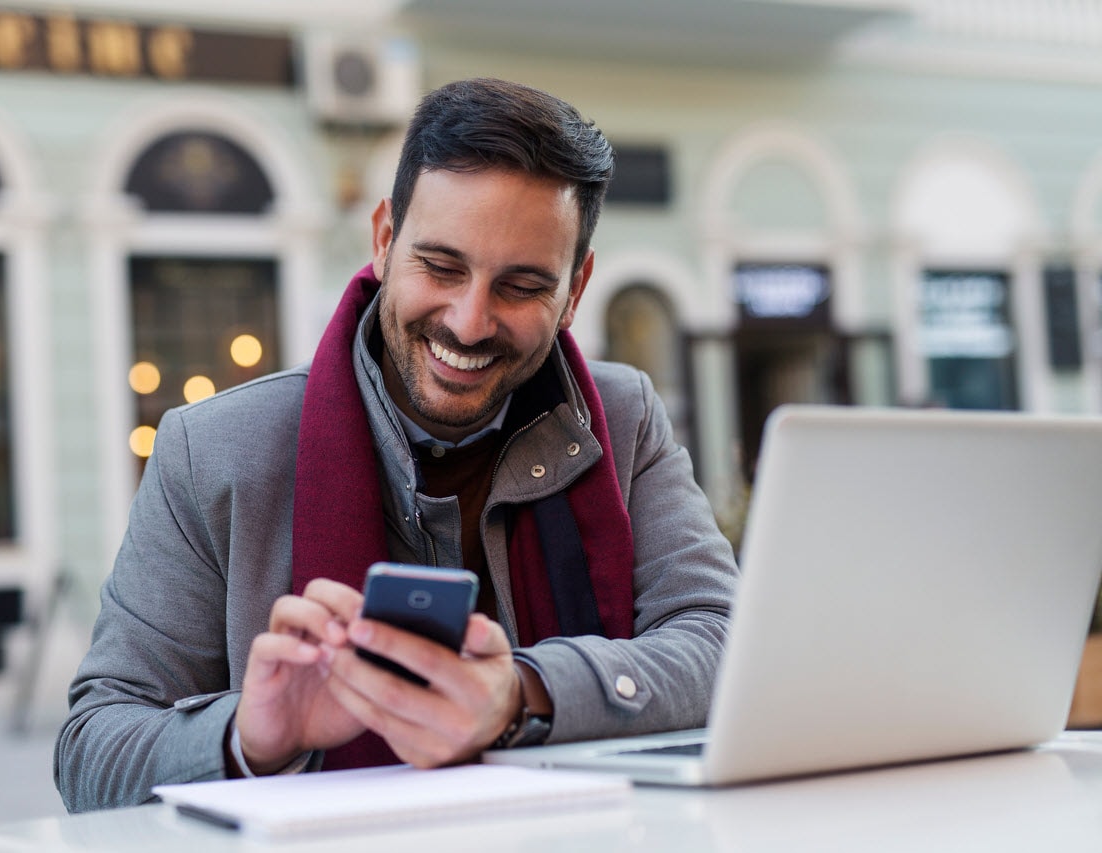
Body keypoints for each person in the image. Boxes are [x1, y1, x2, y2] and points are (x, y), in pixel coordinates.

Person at [55, 77, 739, 812]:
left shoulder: (627, 415)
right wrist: (249, 739)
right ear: (384, 239)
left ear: (576, 290)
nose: (471, 321)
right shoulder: (210, 451)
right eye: (441, 267)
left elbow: (728, 645)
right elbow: (91, 750)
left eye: (522, 286)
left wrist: (523, 693)